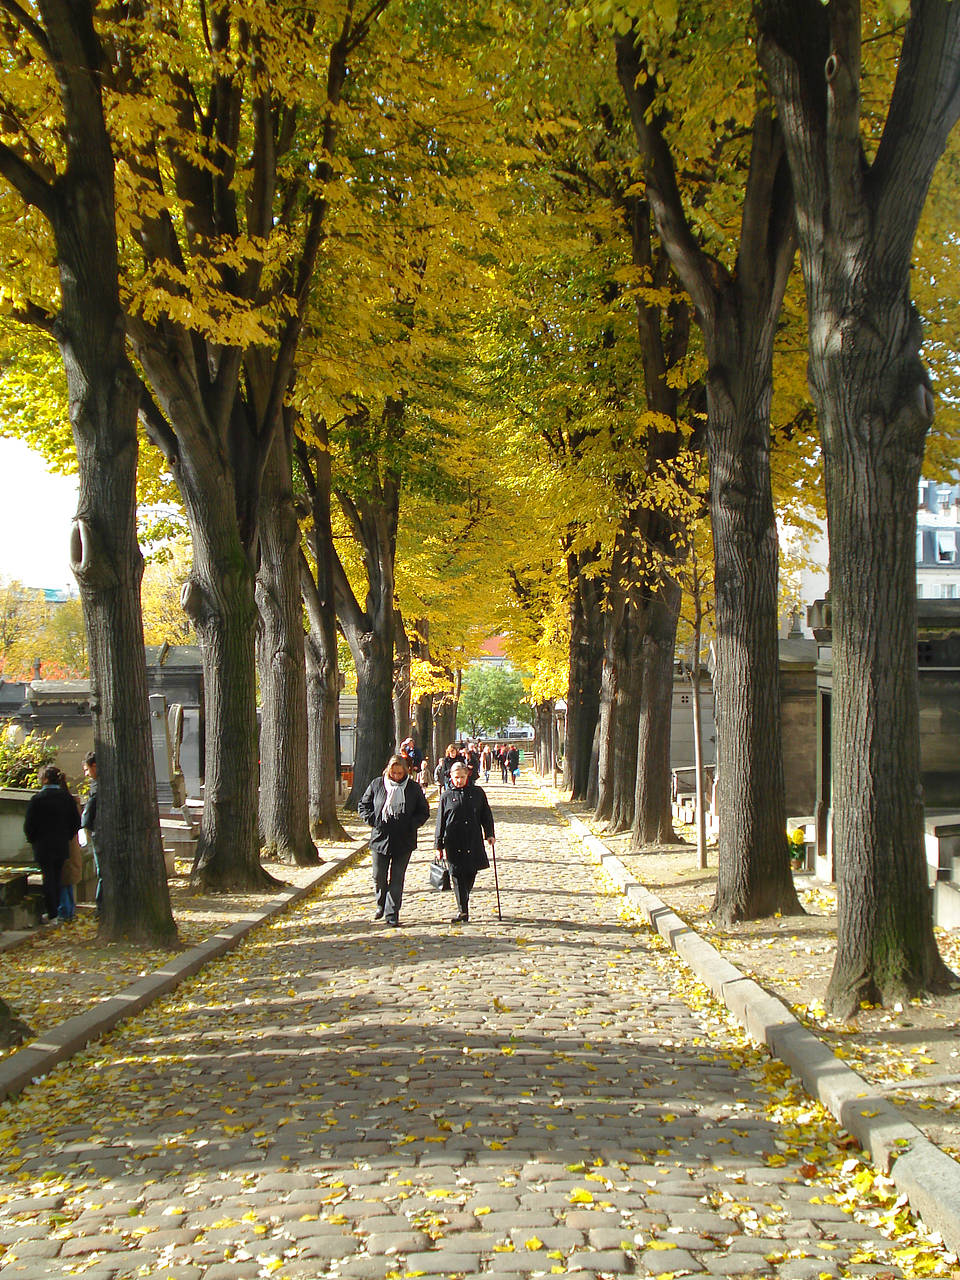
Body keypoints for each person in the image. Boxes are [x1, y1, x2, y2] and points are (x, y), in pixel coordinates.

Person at [357, 754, 429, 927]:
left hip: (404, 840)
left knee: (397, 878)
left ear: (405, 771)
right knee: (378, 876)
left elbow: (423, 811)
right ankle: (381, 903)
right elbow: (363, 805)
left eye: (400, 773)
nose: (396, 776)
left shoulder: (413, 788)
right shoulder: (377, 784)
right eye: (394, 773)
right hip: (380, 838)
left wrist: (412, 824)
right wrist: (374, 820)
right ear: (389, 771)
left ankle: (392, 913)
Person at [434, 760, 495, 924]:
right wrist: (438, 845)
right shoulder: (446, 796)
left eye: (462, 777)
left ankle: (464, 897)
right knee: (456, 875)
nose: (459, 780)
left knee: (470, 873)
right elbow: (440, 821)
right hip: (453, 841)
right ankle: (463, 911)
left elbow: (486, 815)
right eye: (456, 777)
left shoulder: (477, 793)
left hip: (472, 839)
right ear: (451, 777)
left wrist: (489, 833)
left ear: (467, 775)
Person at [23, 764, 81, 924]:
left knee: (48, 878)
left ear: (45, 779)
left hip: (43, 846)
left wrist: (33, 839)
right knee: (57, 877)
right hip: (61, 844)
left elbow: (29, 825)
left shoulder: (37, 799)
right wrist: (66, 836)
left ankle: (52, 912)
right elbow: (76, 823)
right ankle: (57, 910)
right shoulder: (66, 799)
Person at [81, 751, 100, 913]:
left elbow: (89, 813)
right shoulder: (96, 784)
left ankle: (102, 907)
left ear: (94, 766)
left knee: (102, 873)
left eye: (87, 769)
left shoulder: (97, 786)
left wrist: (85, 825)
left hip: (99, 832)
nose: (86, 774)